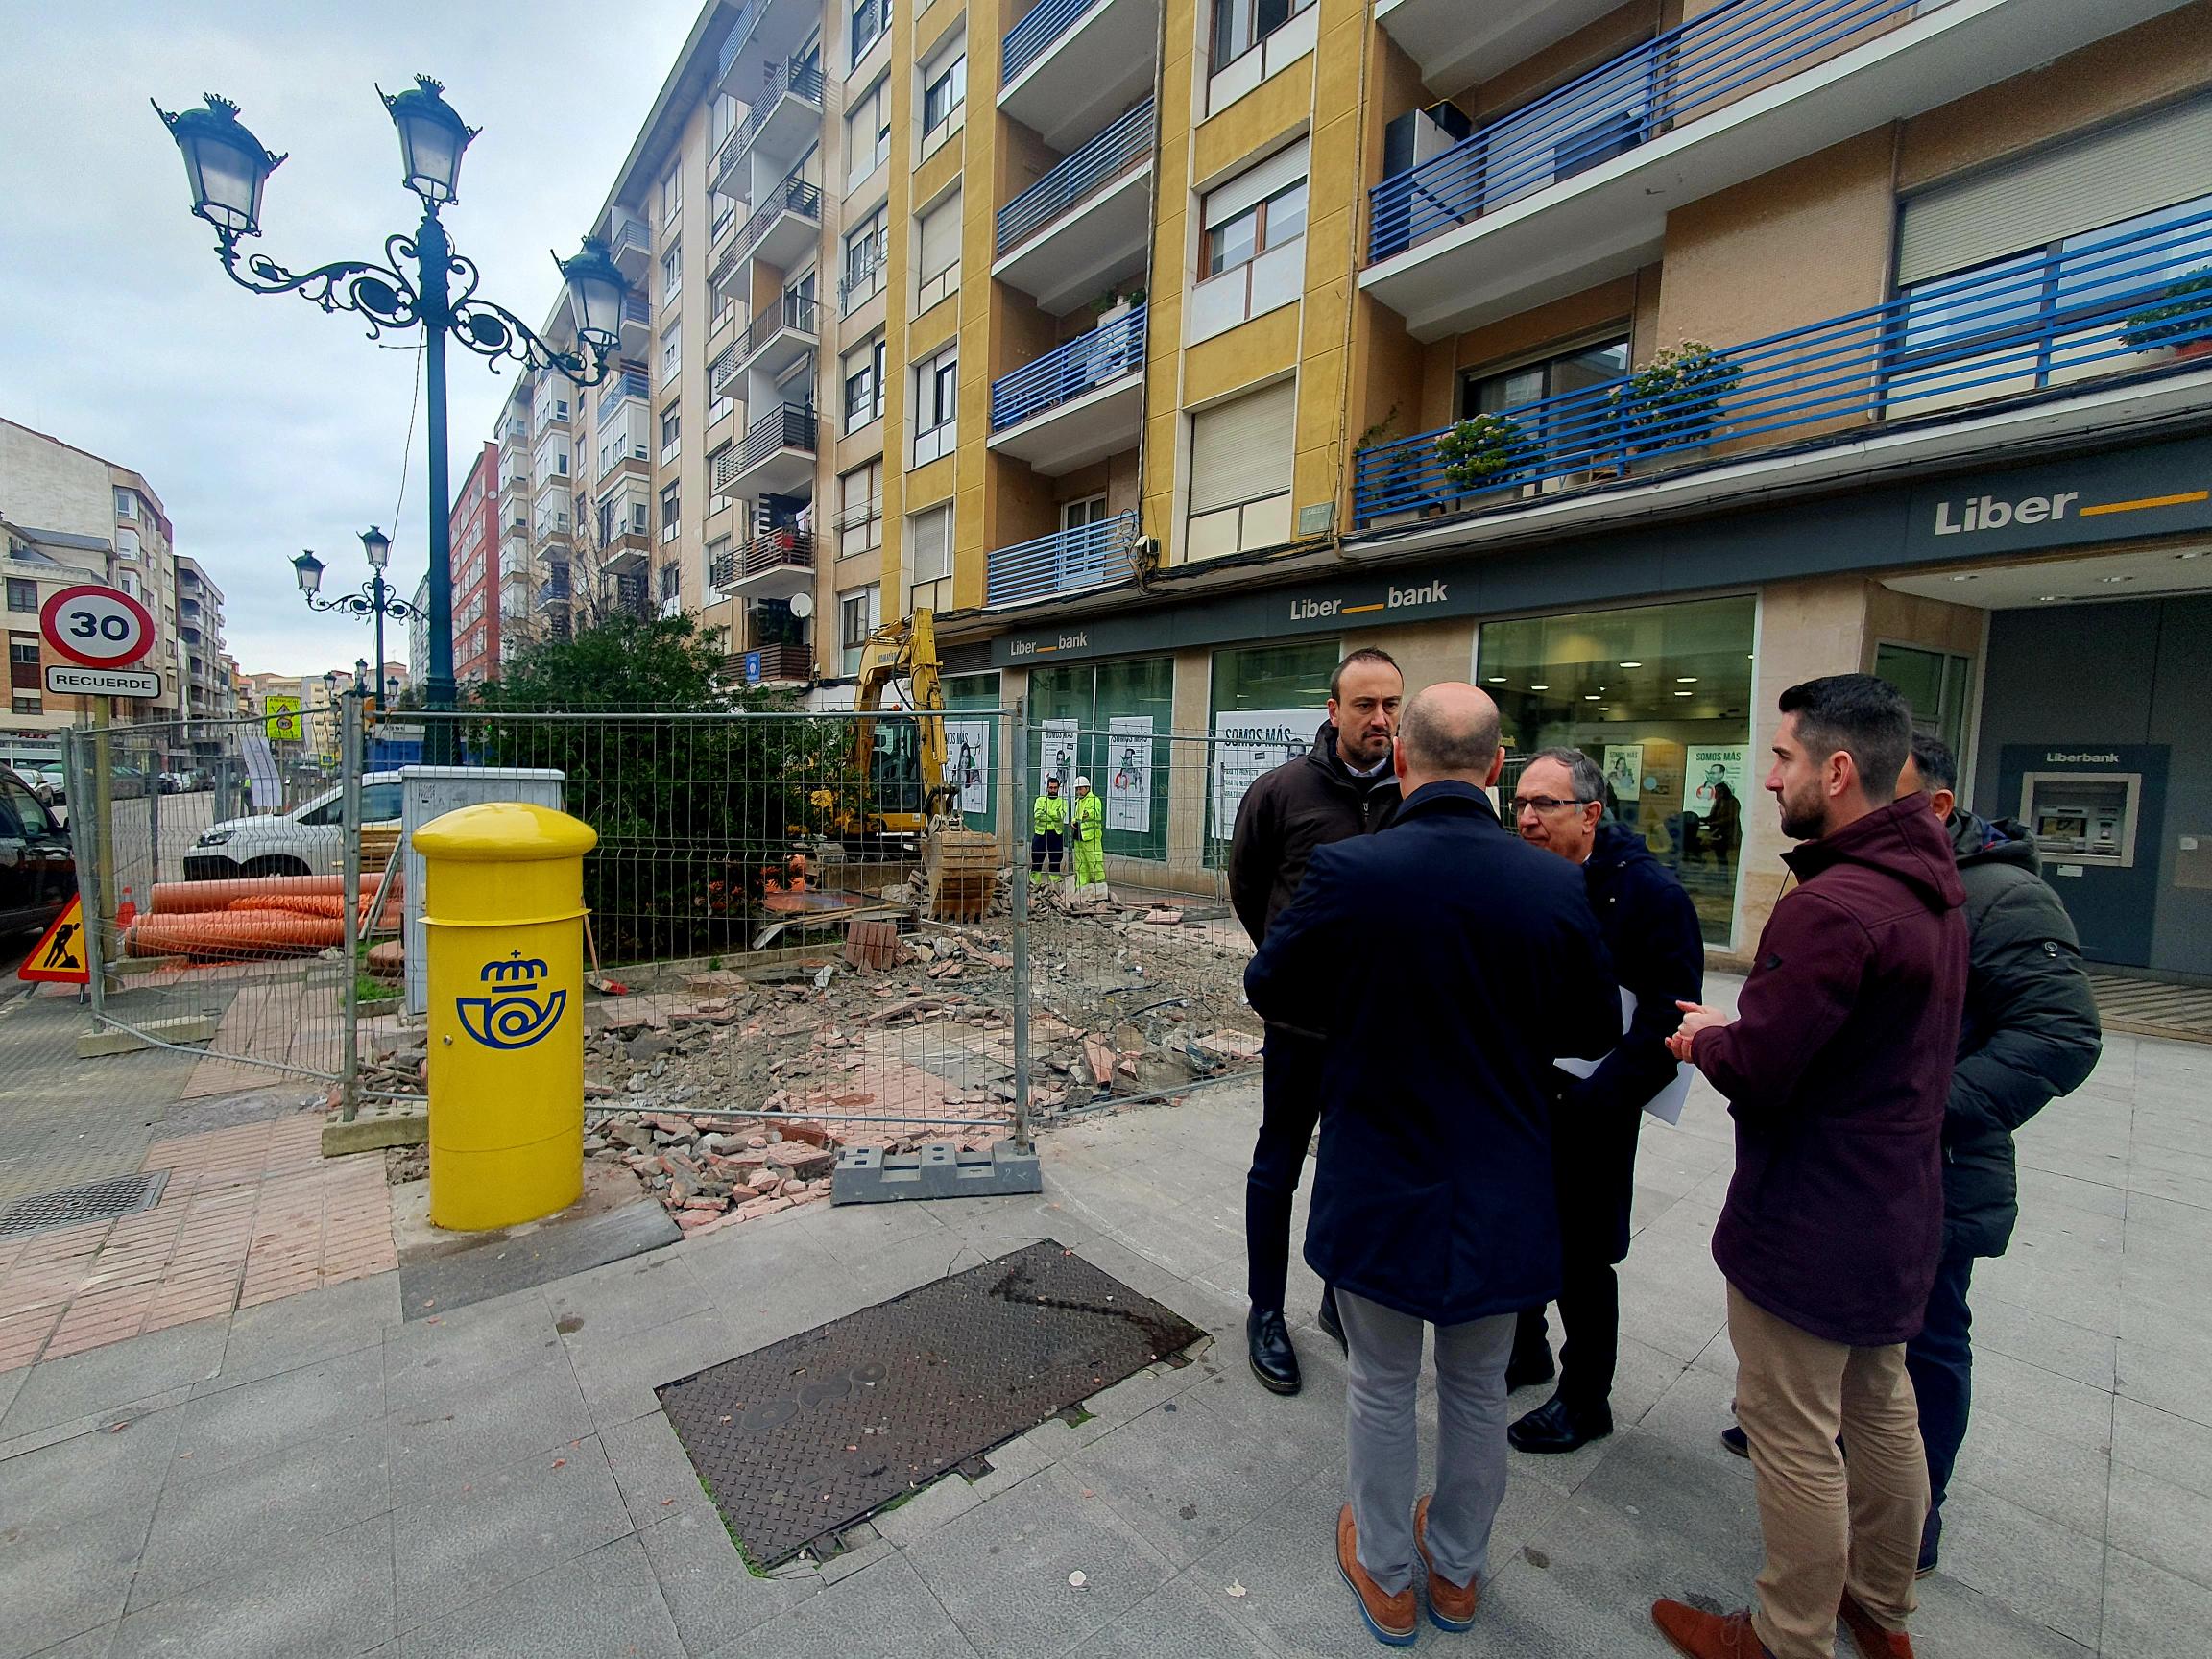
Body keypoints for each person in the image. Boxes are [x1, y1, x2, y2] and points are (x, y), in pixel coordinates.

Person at [1247, 685, 1620, 1647]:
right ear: (1497, 770)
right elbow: (1588, 1028)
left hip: (1381, 1166)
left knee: (1379, 1382)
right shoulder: (1555, 884)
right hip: (1501, 1176)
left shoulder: (1349, 872)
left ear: (1403, 762)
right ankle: (1454, 1572)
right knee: (1475, 1385)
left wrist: (1363, 1016)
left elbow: (1270, 982)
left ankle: (1385, 1572)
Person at [1653, 674, 1968, 1659]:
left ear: (1837, 770)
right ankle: (1882, 1610)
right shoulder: (1934, 887)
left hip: (1813, 1215)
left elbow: (1770, 1068)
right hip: (1896, 1207)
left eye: (1783, 757)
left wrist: (1707, 1039)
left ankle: (1787, 1638)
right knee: (1881, 1409)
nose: (1769, 774)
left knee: (1792, 1433)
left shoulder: (1835, 905)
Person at [1504, 747, 1704, 1454]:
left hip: (1593, 1106)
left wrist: (1597, 1100)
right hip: (1526, 1093)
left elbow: (1669, 1017)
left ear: (1591, 814)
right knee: (1520, 1229)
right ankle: (1525, 1348)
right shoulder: (1527, 874)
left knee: (1584, 1257)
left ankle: (1586, 1398)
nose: (1526, 818)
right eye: (1520, 803)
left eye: (1544, 806)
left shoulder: (1651, 895)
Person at [1227, 647, 1404, 1396]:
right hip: (1299, 1029)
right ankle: (1267, 1310)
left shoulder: (1415, 794)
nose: (1381, 719)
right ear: (1333, 712)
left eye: (1392, 704)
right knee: (1279, 1165)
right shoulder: (1282, 792)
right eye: (1365, 705)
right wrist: (1287, 961)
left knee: (1353, 1167)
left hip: (1378, 1029)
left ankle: (1338, 1292)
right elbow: (1248, 885)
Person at [1069, 775, 1106, 889]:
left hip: (1091, 839)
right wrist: (1074, 821)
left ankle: (1099, 888)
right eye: (1077, 789)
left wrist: (1084, 815)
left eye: (1080, 788)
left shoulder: (1094, 800)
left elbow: (1093, 813)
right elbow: (1078, 817)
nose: (1078, 791)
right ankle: (1081, 888)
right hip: (1079, 837)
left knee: (1095, 863)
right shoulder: (1079, 801)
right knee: (1080, 865)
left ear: (1087, 788)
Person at [1030, 775, 1068, 885]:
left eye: (1055, 788)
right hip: (1041, 833)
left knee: (1056, 858)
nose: (1053, 790)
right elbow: (1037, 815)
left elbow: (1060, 816)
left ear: (1058, 788)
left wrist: (1046, 811)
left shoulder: (1062, 802)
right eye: (1051, 788)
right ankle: (1034, 882)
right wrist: (1053, 815)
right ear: (1047, 788)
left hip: (1056, 834)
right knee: (1037, 857)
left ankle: (1054, 883)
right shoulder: (1040, 800)